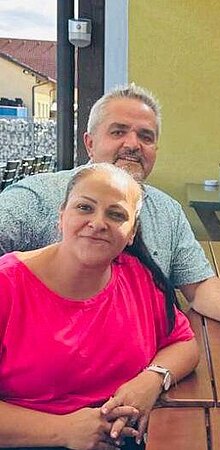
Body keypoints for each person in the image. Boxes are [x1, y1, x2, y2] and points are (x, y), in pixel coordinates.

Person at [0, 84, 220, 342]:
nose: (133, 144)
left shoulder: (166, 210)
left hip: (146, 358)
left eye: (146, 137)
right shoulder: (38, 196)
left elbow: (198, 285)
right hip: (55, 360)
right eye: (118, 132)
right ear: (90, 143)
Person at [0, 163, 199, 448]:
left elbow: (184, 343)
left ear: (132, 233)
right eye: (85, 207)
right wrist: (63, 430)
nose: (98, 223)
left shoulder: (137, 275)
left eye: (116, 214)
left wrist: (151, 380)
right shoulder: (7, 285)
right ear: (61, 216)